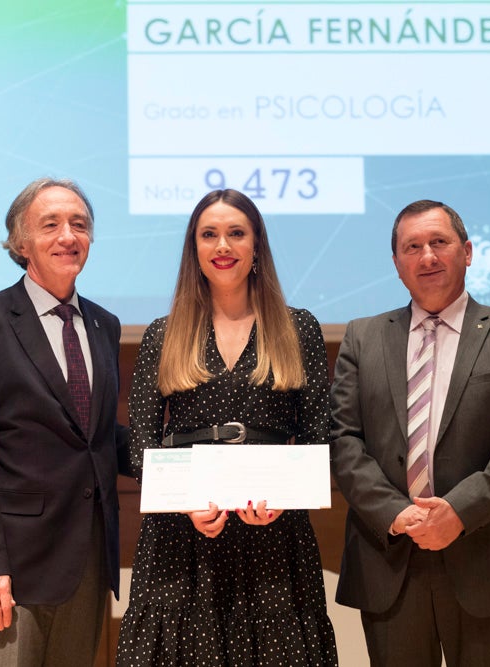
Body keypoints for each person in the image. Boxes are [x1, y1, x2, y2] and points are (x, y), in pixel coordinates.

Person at [116, 189, 338, 666]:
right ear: (193, 248)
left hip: (275, 538)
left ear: (256, 246)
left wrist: (284, 499)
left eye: (236, 233)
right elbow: (140, 445)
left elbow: (321, 435)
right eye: (209, 234)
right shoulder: (163, 332)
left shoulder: (300, 329)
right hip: (182, 536)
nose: (223, 246)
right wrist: (186, 504)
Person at [329, 199, 490, 667]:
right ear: (396, 264)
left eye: (439, 243)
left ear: (467, 252)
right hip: (389, 557)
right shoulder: (362, 337)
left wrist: (458, 511)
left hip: (483, 553)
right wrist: (397, 513)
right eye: (412, 247)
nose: (426, 256)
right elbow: (343, 440)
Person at [0, 178, 127, 666]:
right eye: (51, 225)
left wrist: (191, 461)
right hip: (13, 566)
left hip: (88, 556)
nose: (69, 235)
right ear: (21, 244)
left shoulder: (105, 325)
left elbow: (100, 437)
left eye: (80, 224)